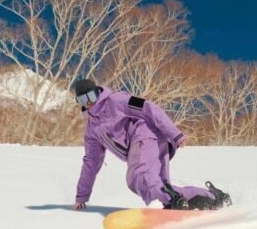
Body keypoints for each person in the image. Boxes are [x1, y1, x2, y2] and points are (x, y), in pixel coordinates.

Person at [71, 78, 231, 211]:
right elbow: (91, 162)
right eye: (83, 100)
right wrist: (82, 196)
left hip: (145, 135)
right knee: (156, 185)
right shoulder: (92, 129)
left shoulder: (117, 100)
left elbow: (148, 107)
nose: (89, 102)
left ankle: (168, 204)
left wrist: (174, 133)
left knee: (138, 176)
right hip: (143, 148)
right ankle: (213, 198)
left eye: (91, 96)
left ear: (98, 92)